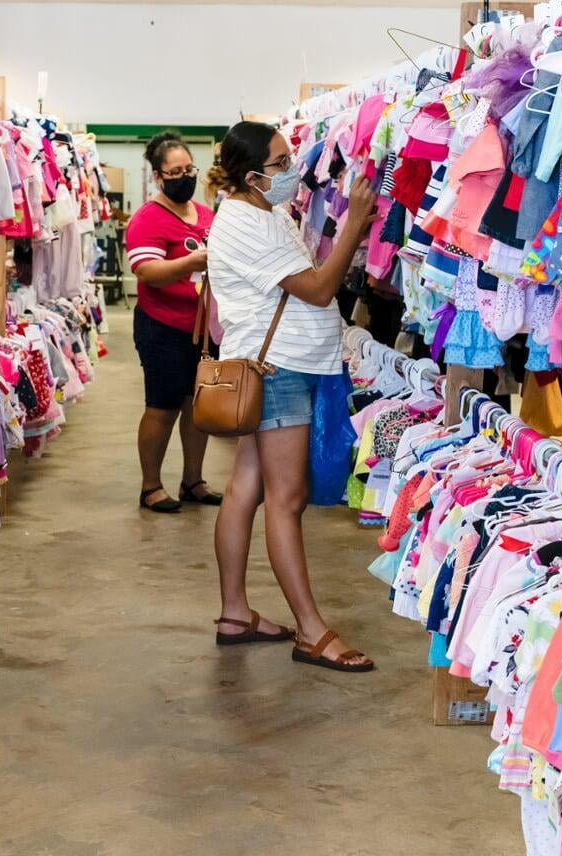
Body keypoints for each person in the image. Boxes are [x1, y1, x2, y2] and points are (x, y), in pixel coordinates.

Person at [205, 121, 377, 672]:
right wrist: (354, 220)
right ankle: (311, 631)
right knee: (288, 497)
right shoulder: (242, 223)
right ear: (253, 176)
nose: (292, 172)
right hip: (276, 368)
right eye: (281, 164)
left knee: (247, 487)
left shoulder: (265, 212)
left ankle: (235, 613)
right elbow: (319, 287)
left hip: (280, 364)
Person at [126, 130, 220, 513]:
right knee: (162, 406)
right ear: (158, 176)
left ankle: (193, 479)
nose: (185, 176)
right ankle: (151, 486)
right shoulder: (148, 219)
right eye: (176, 171)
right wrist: (192, 262)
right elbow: (147, 271)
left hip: (204, 328)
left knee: (198, 407)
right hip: (162, 325)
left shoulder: (208, 215)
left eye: (189, 168)